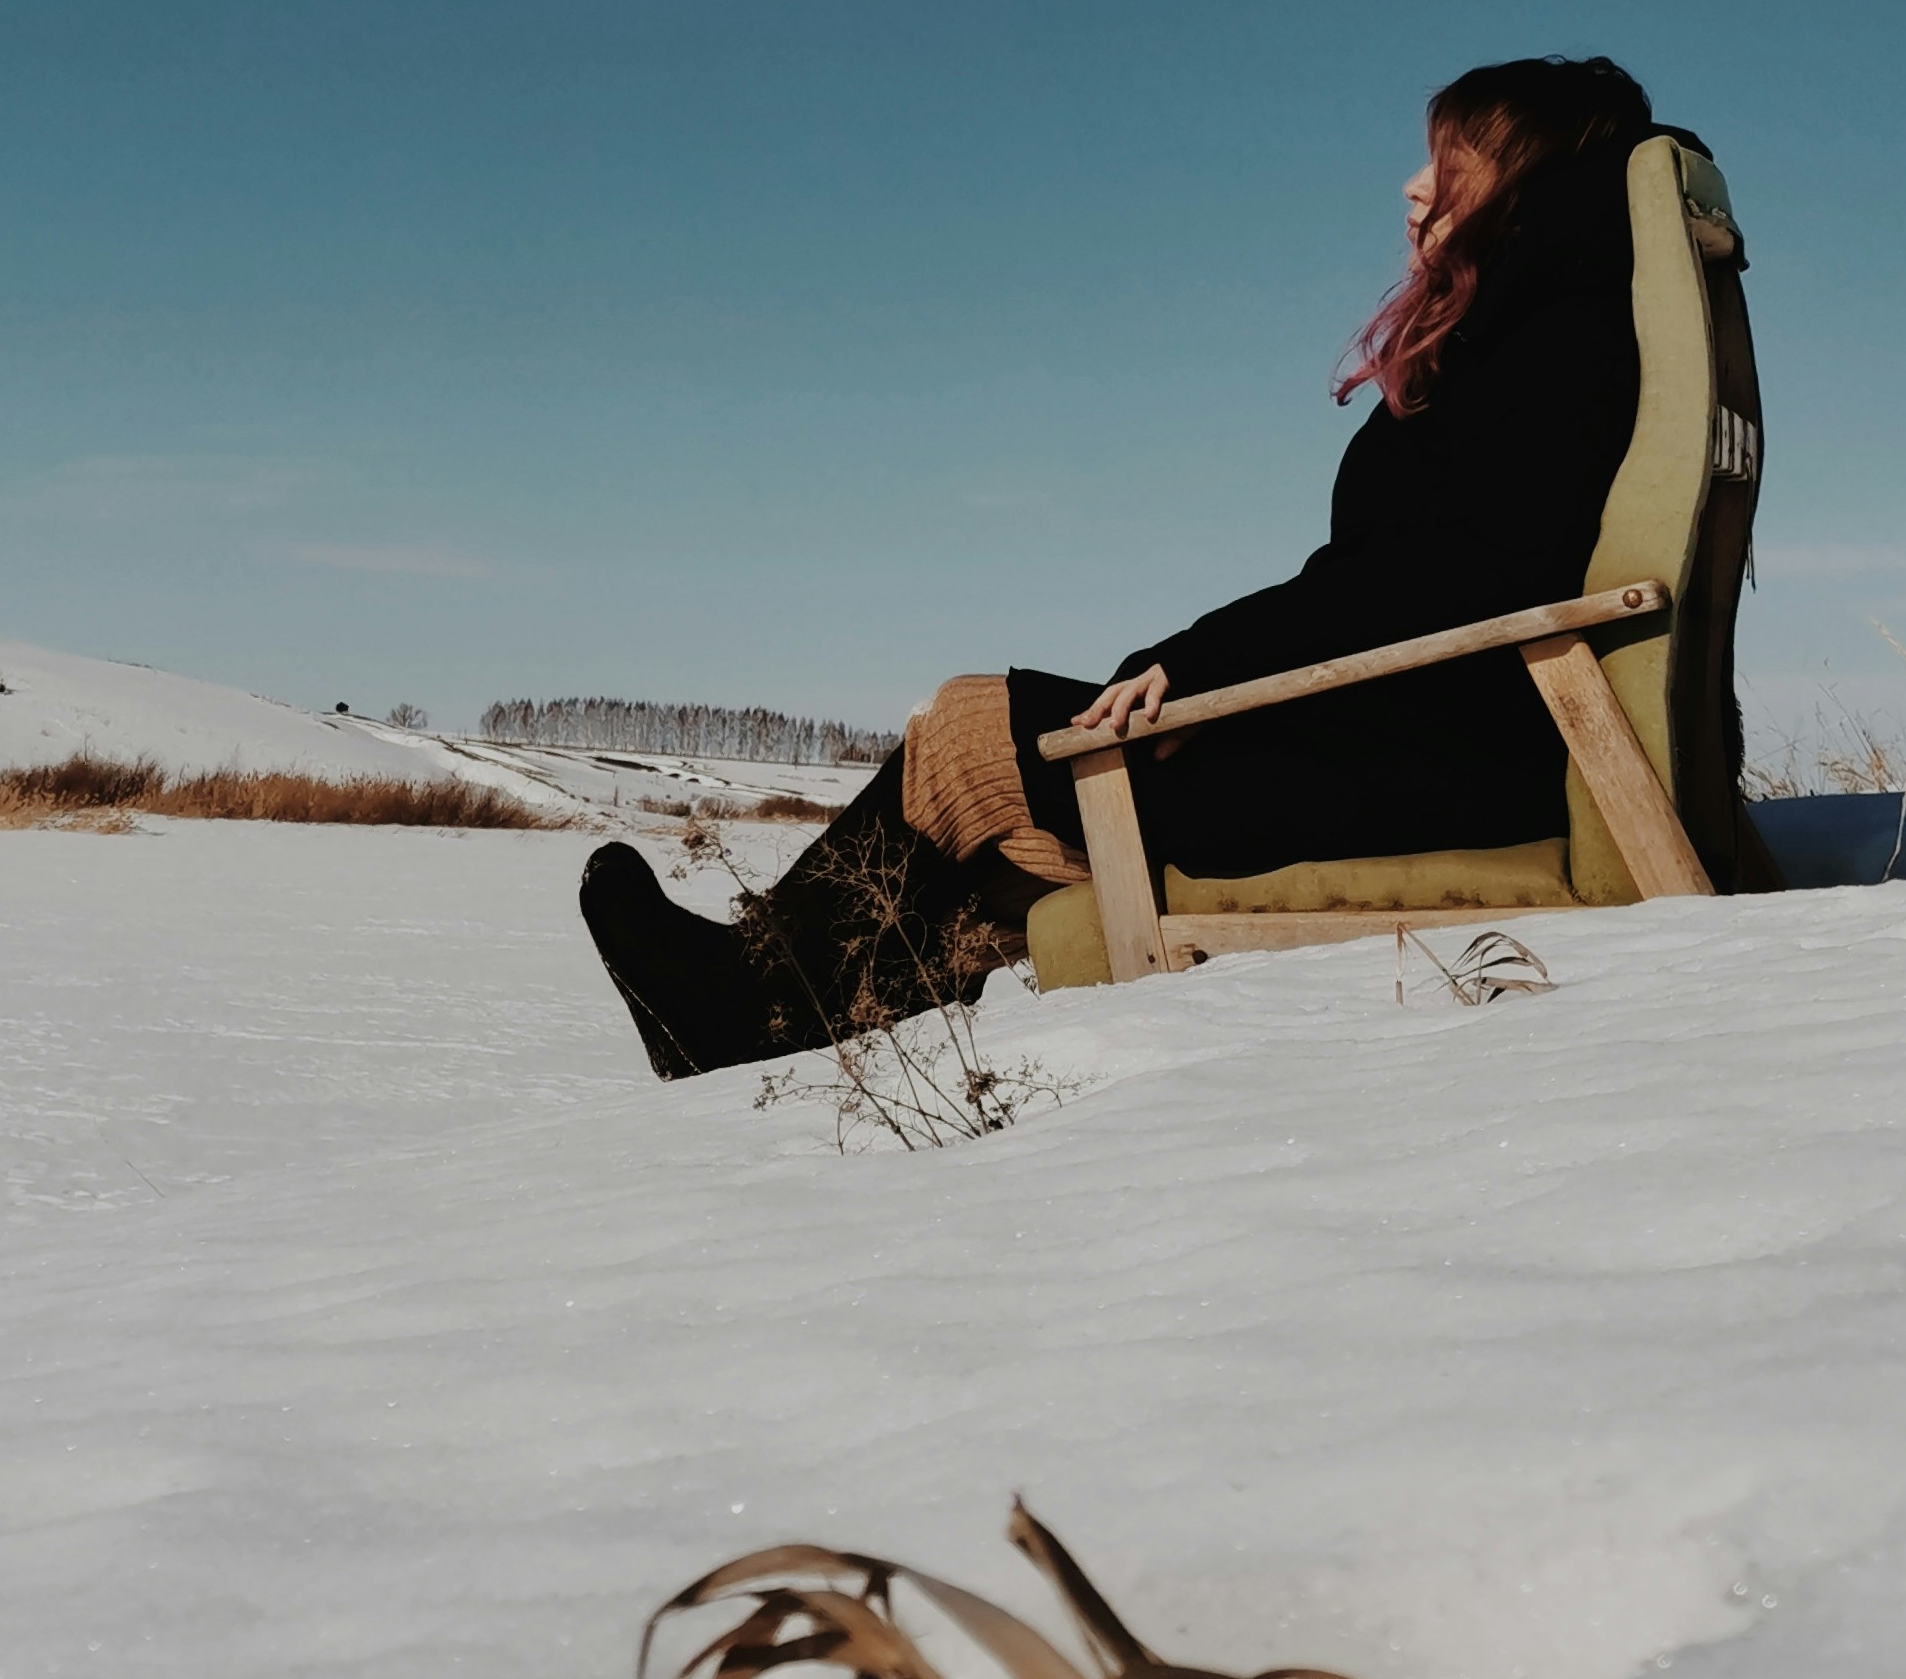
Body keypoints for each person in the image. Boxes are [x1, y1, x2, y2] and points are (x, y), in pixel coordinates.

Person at [580, 52, 1663, 1080]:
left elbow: (1449, 580)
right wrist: (1203, 669)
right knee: (1000, 850)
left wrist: (1201, 670)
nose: (1414, 186)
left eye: (1450, 160)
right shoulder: (1533, 334)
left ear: (1519, 181)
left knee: (971, 731)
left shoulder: (1554, 345)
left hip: (1436, 768)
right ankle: (794, 1046)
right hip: (1409, 734)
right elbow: (1400, 575)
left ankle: (734, 1007)